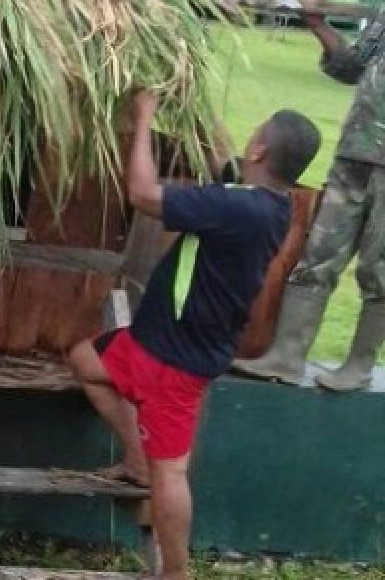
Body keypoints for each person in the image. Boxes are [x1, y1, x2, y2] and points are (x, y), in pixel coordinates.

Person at [66, 91, 320, 580]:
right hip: (149, 344)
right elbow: (226, 175)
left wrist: (144, 118)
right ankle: (136, 461)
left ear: (260, 153)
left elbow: (142, 193)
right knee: (85, 361)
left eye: (256, 131)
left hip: (174, 364)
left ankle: (175, 573)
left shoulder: (234, 209)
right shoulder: (271, 206)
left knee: (173, 472)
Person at [233, 4, 385, 390]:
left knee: (378, 268)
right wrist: (318, 25)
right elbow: (350, 66)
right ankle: (286, 357)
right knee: (317, 256)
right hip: (354, 152)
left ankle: (358, 366)